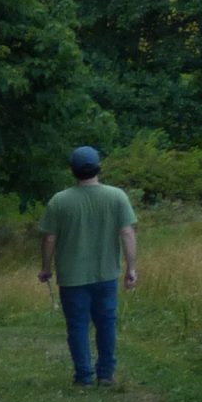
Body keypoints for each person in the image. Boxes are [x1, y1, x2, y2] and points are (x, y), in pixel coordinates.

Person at [39, 145, 138, 389]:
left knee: (77, 326)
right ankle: (105, 374)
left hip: (72, 277)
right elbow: (127, 232)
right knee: (106, 323)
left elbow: (49, 238)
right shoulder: (117, 196)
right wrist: (131, 268)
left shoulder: (59, 201)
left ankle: (83, 376)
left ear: (72, 171)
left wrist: (46, 267)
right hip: (106, 273)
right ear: (98, 168)